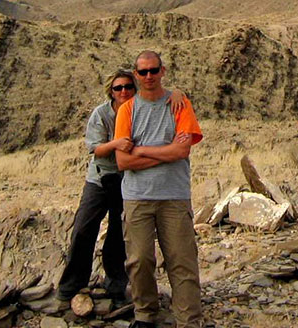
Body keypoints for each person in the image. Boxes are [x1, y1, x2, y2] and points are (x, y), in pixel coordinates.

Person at [56, 68, 184, 307]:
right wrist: (116, 143)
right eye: (118, 87)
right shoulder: (102, 114)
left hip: (129, 179)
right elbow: (95, 149)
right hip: (100, 179)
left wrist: (178, 92)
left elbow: (162, 98)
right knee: (83, 228)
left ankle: (115, 286)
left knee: (119, 235)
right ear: (111, 91)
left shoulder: (140, 110)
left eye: (128, 86)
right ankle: (70, 286)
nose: (123, 91)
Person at [115, 50, 203, 328]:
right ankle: (145, 314)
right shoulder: (127, 110)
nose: (149, 76)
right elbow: (122, 161)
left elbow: (182, 150)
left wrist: (142, 151)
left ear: (162, 71)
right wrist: (167, 152)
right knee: (139, 260)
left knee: (182, 261)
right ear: (136, 75)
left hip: (174, 196)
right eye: (143, 72)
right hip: (137, 197)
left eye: (154, 70)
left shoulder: (180, 104)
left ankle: (189, 320)